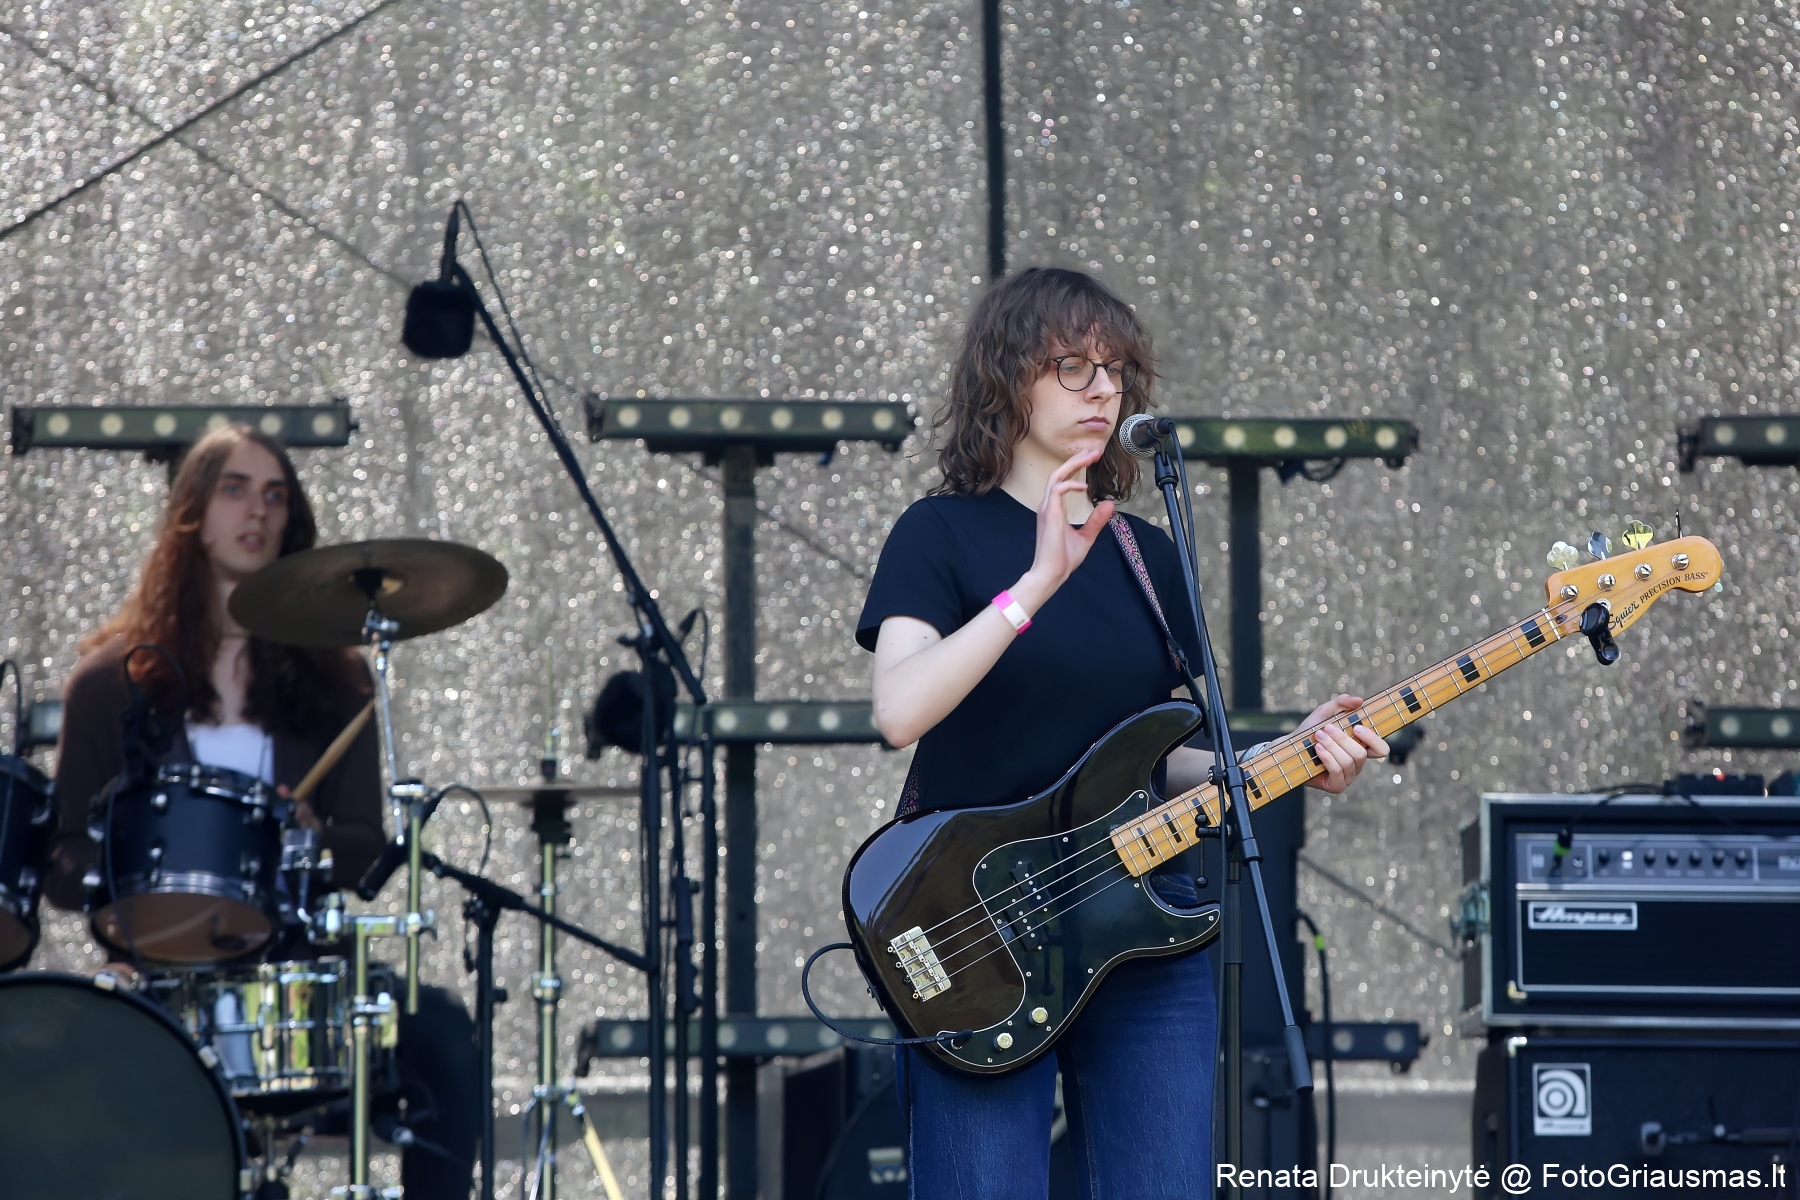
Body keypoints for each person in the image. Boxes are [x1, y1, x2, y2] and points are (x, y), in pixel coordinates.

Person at [856, 267, 1388, 1199]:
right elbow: (899, 712)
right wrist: (1033, 588)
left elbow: (1156, 757)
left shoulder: (1147, 556)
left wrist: (1285, 760)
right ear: (1007, 378)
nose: (1104, 390)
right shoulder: (937, 534)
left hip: (1141, 924)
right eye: (1074, 367)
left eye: (1116, 371)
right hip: (978, 928)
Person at [44, 423, 480, 1199]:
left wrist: (311, 839)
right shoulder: (111, 682)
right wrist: (125, 883)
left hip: (301, 975)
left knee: (441, 1030)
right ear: (193, 517)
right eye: (236, 490)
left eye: (276, 496)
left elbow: (364, 845)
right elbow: (61, 858)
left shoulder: (337, 679)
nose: (259, 511)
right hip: (158, 979)